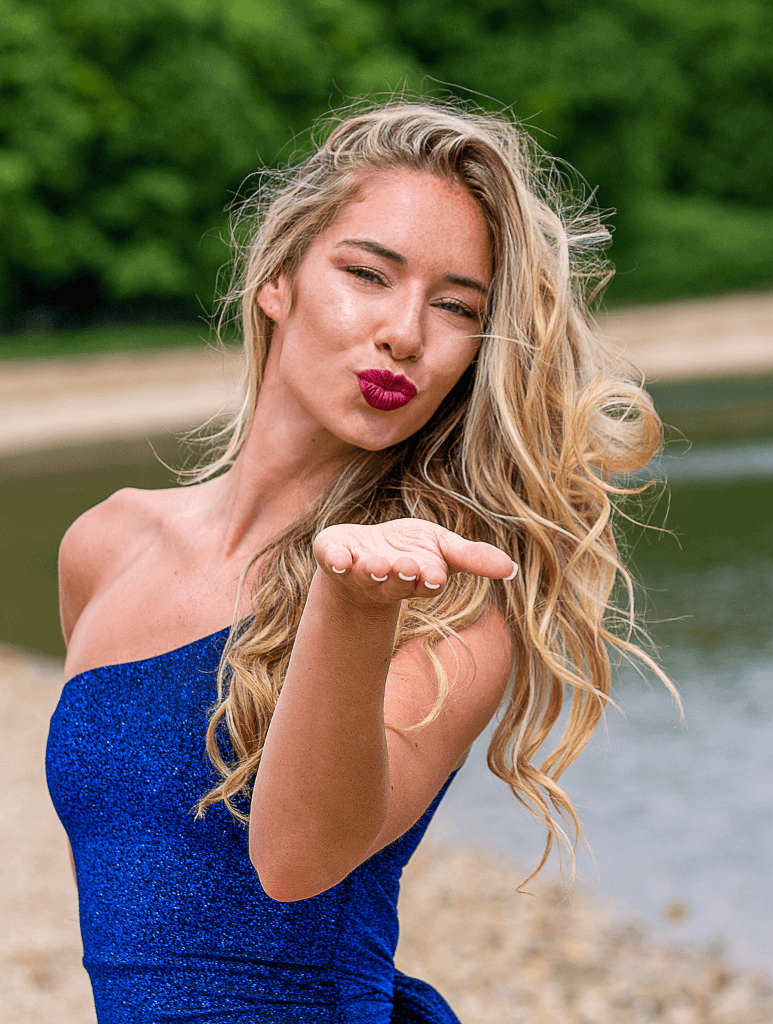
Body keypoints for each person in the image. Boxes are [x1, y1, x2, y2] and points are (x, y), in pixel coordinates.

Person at [45, 98, 670, 1023]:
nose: (405, 333)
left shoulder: (448, 597)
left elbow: (297, 861)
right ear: (278, 280)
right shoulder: (106, 544)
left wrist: (353, 606)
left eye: (456, 307)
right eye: (369, 275)